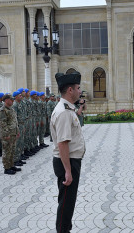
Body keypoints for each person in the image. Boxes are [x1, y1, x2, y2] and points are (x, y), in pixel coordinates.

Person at [51, 72, 86, 232]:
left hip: (70, 161)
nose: (80, 91)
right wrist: (68, 171)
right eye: (78, 88)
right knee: (66, 203)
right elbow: (63, 143)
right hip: (68, 162)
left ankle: (65, 229)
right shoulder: (64, 112)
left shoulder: (67, 109)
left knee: (67, 201)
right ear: (70, 90)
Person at [0, 94, 20, 175]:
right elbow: (2, 124)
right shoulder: (2, 110)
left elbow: (15, 121)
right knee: (7, 151)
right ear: (6, 100)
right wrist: (6, 135)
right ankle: (6, 168)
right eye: (11, 99)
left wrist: (17, 131)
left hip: (13, 133)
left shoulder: (11, 109)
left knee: (12, 150)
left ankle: (11, 165)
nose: (13, 100)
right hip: (7, 135)